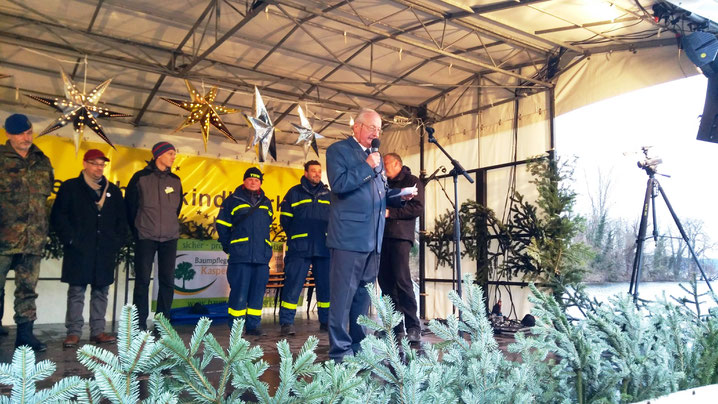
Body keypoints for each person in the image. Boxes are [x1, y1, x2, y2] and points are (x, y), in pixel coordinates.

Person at [325, 108, 413, 362]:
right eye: (372, 127)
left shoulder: (376, 159)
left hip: (374, 239)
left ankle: (358, 345)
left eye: (379, 129)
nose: (376, 133)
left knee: (363, 297)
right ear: (357, 128)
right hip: (348, 238)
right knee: (343, 297)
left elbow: (379, 196)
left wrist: (399, 196)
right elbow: (340, 185)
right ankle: (340, 351)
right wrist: (366, 166)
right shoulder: (339, 151)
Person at [51, 149, 127, 347]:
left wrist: (115, 242)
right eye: (95, 163)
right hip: (79, 250)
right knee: (77, 290)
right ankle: (74, 332)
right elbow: (59, 217)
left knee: (101, 291)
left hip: (104, 251)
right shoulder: (70, 187)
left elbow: (122, 220)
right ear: (85, 164)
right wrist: (70, 240)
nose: (99, 168)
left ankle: (98, 331)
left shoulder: (113, 191)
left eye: (102, 164)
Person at [0, 113, 53, 351]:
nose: (27, 137)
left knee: (28, 289)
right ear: (9, 134)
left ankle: (25, 335)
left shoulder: (42, 160)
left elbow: (46, 195)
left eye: (29, 132)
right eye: (21, 133)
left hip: (33, 238)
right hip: (3, 237)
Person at [125, 142, 182, 330]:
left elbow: (177, 208)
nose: (174, 157)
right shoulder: (140, 178)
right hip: (146, 236)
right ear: (158, 155)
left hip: (170, 237)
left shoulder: (175, 180)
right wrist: (139, 231)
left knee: (167, 280)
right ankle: (139, 324)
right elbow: (130, 207)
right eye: (171, 153)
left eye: (174, 154)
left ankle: (163, 323)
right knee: (142, 280)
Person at [215, 167, 273, 336]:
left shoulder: (267, 202)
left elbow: (267, 225)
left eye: (257, 179)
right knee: (239, 293)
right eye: (250, 179)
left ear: (260, 182)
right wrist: (230, 246)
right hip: (240, 255)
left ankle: (254, 326)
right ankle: (236, 328)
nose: (253, 182)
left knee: (257, 293)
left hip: (261, 257)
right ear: (244, 181)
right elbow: (222, 226)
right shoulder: (232, 200)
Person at [278, 160, 331, 336]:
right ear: (306, 173)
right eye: (313, 171)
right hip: (299, 247)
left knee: (325, 287)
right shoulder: (294, 193)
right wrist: (296, 235)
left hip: (323, 248)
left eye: (319, 171)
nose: (317, 174)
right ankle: (287, 322)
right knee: (293, 285)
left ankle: (326, 321)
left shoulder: (328, 194)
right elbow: (285, 219)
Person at [378, 153, 424, 343]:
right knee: (385, 283)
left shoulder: (412, 181)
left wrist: (391, 213)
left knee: (402, 281)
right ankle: (394, 327)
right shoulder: (382, 183)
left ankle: (413, 326)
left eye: (385, 164)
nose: (383, 167)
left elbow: (417, 207)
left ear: (397, 163)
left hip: (400, 237)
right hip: (381, 238)